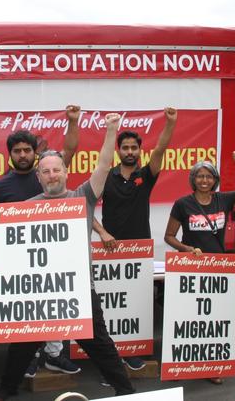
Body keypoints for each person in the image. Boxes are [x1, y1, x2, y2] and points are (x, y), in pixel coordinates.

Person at [0, 113, 135, 401]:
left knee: (101, 346)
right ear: (38, 177)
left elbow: (104, 166)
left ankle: (126, 393)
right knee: (21, 348)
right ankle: (5, 390)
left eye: (57, 170)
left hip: (79, 291)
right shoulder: (24, 208)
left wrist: (111, 130)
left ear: (66, 172)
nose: (52, 175)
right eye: (46, 171)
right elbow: (3, 245)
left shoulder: (83, 198)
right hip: (37, 294)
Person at [0, 106, 82, 379]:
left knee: (53, 306)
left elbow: (70, 150)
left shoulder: (47, 175)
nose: (22, 155)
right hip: (18, 261)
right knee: (25, 311)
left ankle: (54, 355)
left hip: (53, 255)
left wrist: (73, 121)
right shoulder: (0, 187)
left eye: (27, 150)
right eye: (17, 151)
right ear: (10, 155)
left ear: (34, 153)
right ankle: (29, 356)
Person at [164, 151, 235, 384]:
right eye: (200, 176)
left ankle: (212, 367)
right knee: (188, 318)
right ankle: (182, 365)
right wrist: (185, 248)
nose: (204, 180)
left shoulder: (224, 200)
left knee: (213, 319)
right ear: (193, 179)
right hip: (191, 268)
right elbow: (169, 236)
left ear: (215, 180)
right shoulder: (182, 204)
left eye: (209, 176)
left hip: (218, 269)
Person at [93, 107, 177, 372]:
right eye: (125, 147)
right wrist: (103, 233)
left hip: (140, 250)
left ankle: (133, 351)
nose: (130, 151)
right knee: (110, 303)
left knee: (139, 301)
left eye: (134, 148)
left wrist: (170, 123)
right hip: (111, 250)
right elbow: (84, 208)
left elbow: (161, 149)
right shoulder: (106, 175)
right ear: (118, 150)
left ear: (140, 151)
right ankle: (110, 354)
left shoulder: (146, 175)